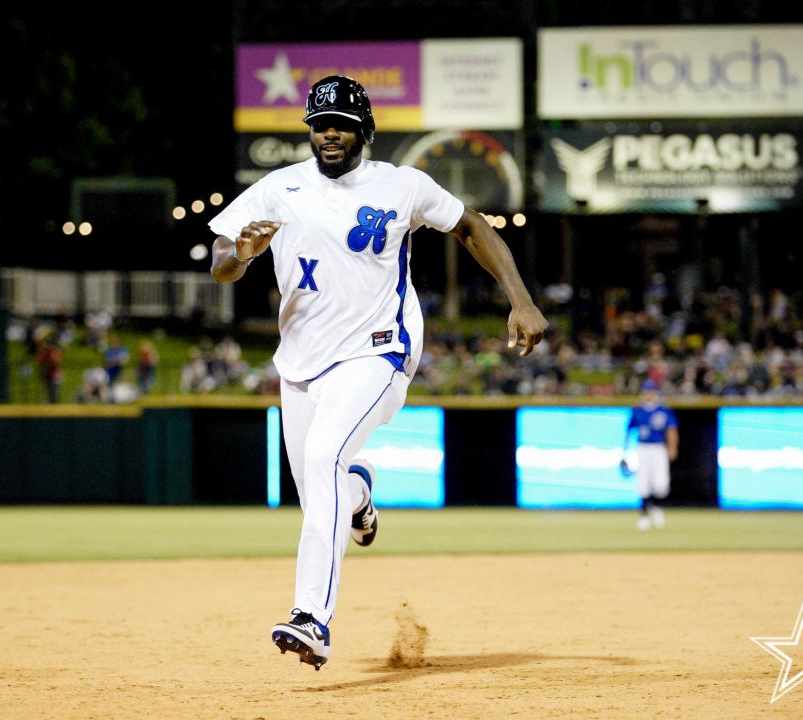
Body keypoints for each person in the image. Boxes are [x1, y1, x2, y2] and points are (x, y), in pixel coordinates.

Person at [208, 75, 547, 670]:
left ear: (364, 129)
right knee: (325, 494)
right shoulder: (277, 187)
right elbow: (220, 264)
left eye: (340, 122)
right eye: (319, 124)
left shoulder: (402, 185)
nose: (329, 133)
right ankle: (361, 494)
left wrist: (518, 298)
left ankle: (312, 618)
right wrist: (240, 253)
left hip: (378, 351)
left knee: (322, 460)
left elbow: (471, 225)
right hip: (301, 364)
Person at [621, 379, 678, 530]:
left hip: (659, 448)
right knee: (643, 482)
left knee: (661, 484)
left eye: (651, 390)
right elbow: (629, 431)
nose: (649, 393)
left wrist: (673, 447)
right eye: (647, 390)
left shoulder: (663, 410)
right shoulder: (638, 410)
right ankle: (644, 515)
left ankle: (657, 508)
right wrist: (625, 451)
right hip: (643, 447)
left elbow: (671, 430)